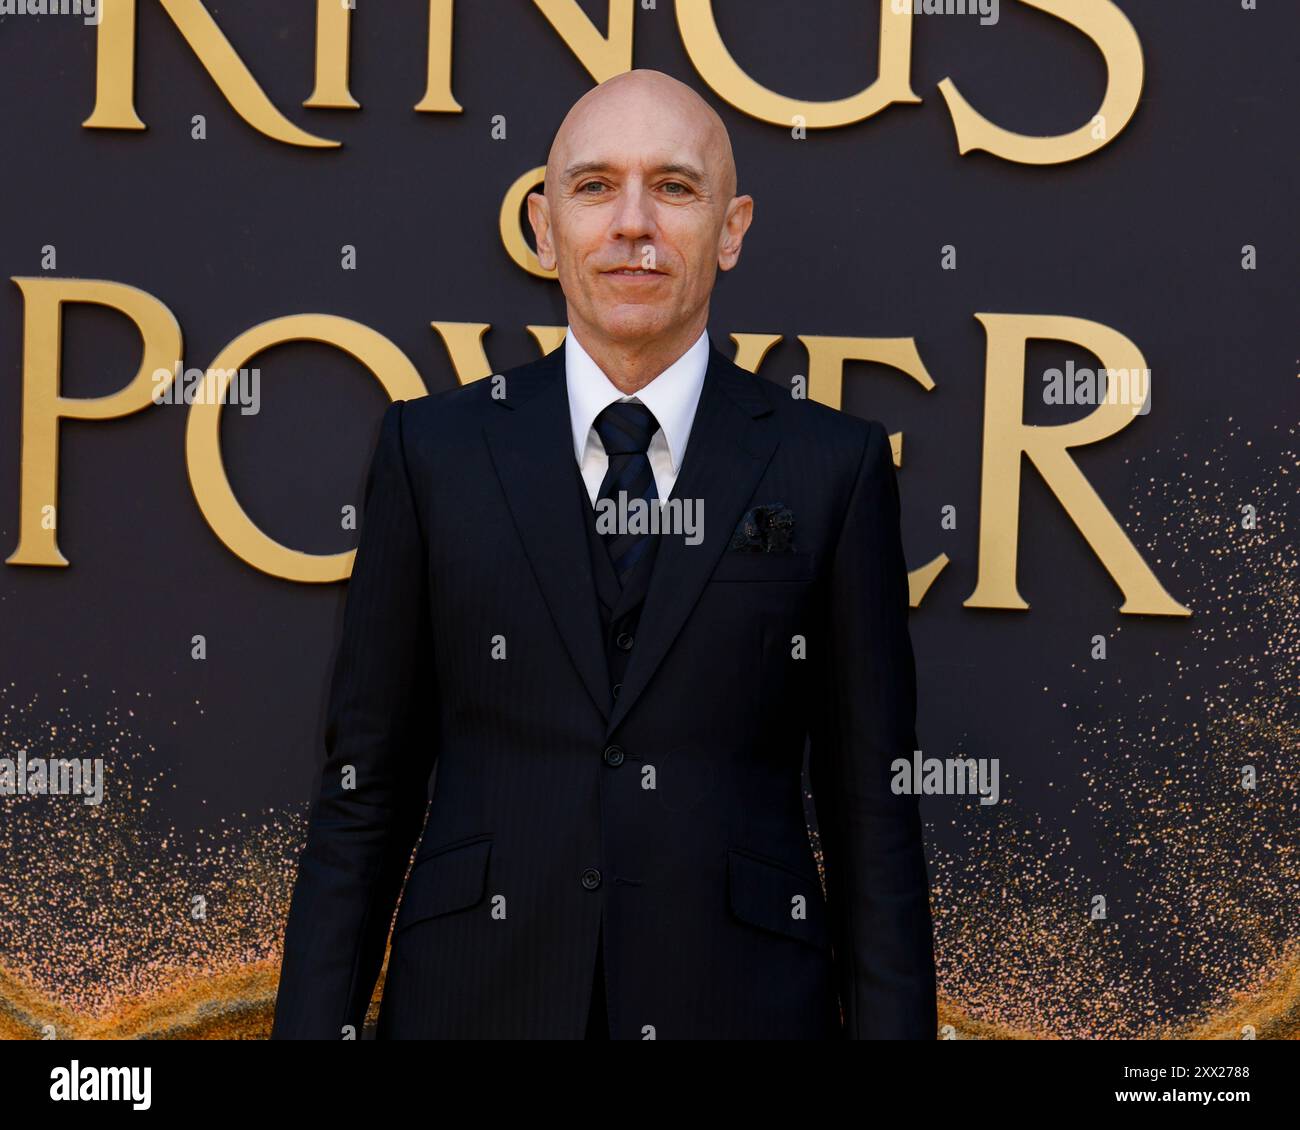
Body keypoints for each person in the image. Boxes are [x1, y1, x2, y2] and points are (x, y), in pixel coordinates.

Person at [271, 69, 935, 1040]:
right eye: (594, 187)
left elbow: (873, 822)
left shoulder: (832, 466)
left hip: (740, 1007)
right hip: (473, 1003)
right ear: (545, 227)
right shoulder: (435, 452)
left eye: (673, 187)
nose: (633, 224)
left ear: (732, 225)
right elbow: (362, 795)